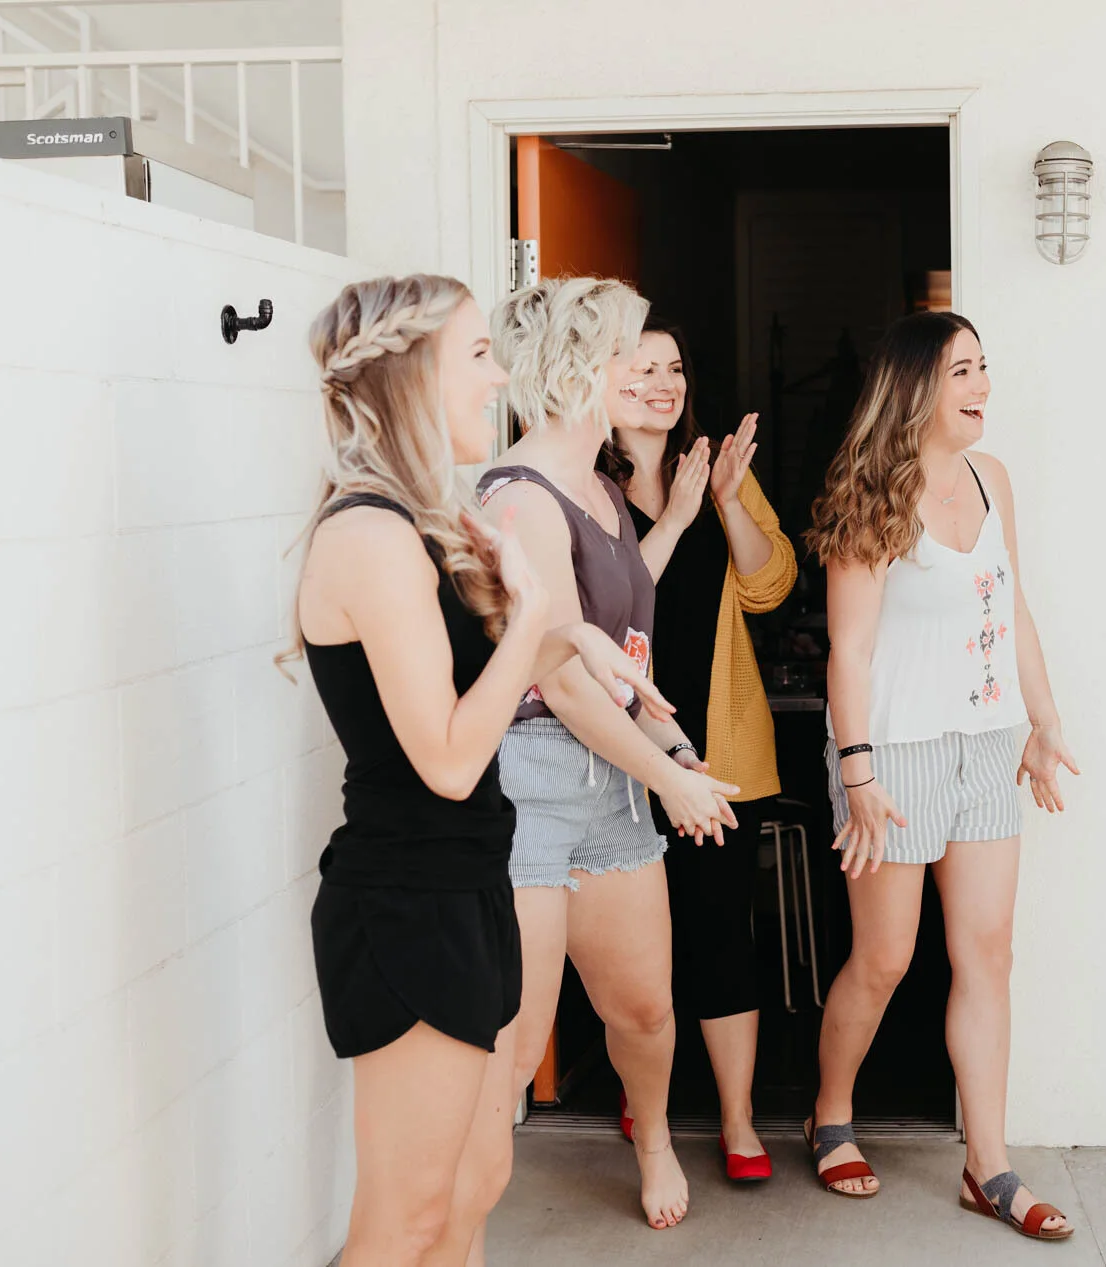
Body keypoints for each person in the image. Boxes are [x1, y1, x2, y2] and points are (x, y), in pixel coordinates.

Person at [290, 274, 671, 1267]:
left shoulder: (428, 519)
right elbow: (453, 758)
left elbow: (475, 687)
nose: (498, 377)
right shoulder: (370, 535)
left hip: (467, 884)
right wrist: (539, 613)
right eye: (474, 355)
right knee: (406, 1222)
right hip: (406, 902)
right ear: (411, 376)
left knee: (478, 1183)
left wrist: (571, 640)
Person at [801, 311, 1081, 1242]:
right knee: (885, 957)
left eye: (983, 367)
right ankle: (831, 1112)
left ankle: (987, 1166)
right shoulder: (871, 491)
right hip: (895, 755)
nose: (982, 386)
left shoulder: (993, 478)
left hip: (988, 746)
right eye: (963, 370)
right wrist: (857, 772)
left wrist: (1042, 721)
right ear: (916, 385)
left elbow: (1013, 608)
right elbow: (848, 652)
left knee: (988, 954)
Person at [477, 278, 741, 1232]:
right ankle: (456, 1227)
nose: (648, 370)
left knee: (644, 1012)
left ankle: (654, 1138)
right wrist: (667, 777)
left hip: (616, 781)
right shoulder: (520, 496)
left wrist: (673, 746)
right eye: (631, 352)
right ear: (584, 367)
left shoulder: (602, 488)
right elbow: (564, 679)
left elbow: (624, 646)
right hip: (535, 784)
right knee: (515, 1049)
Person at [604, 315, 798, 1181]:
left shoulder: (713, 467)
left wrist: (723, 500)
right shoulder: (586, 485)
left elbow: (771, 586)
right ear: (606, 379)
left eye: (673, 367)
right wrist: (677, 518)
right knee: (631, 944)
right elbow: (599, 610)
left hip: (717, 745)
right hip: (616, 749)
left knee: (720, 927)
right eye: (641, 367)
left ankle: (738, 1119)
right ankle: (643, 1096)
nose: (661, 383)